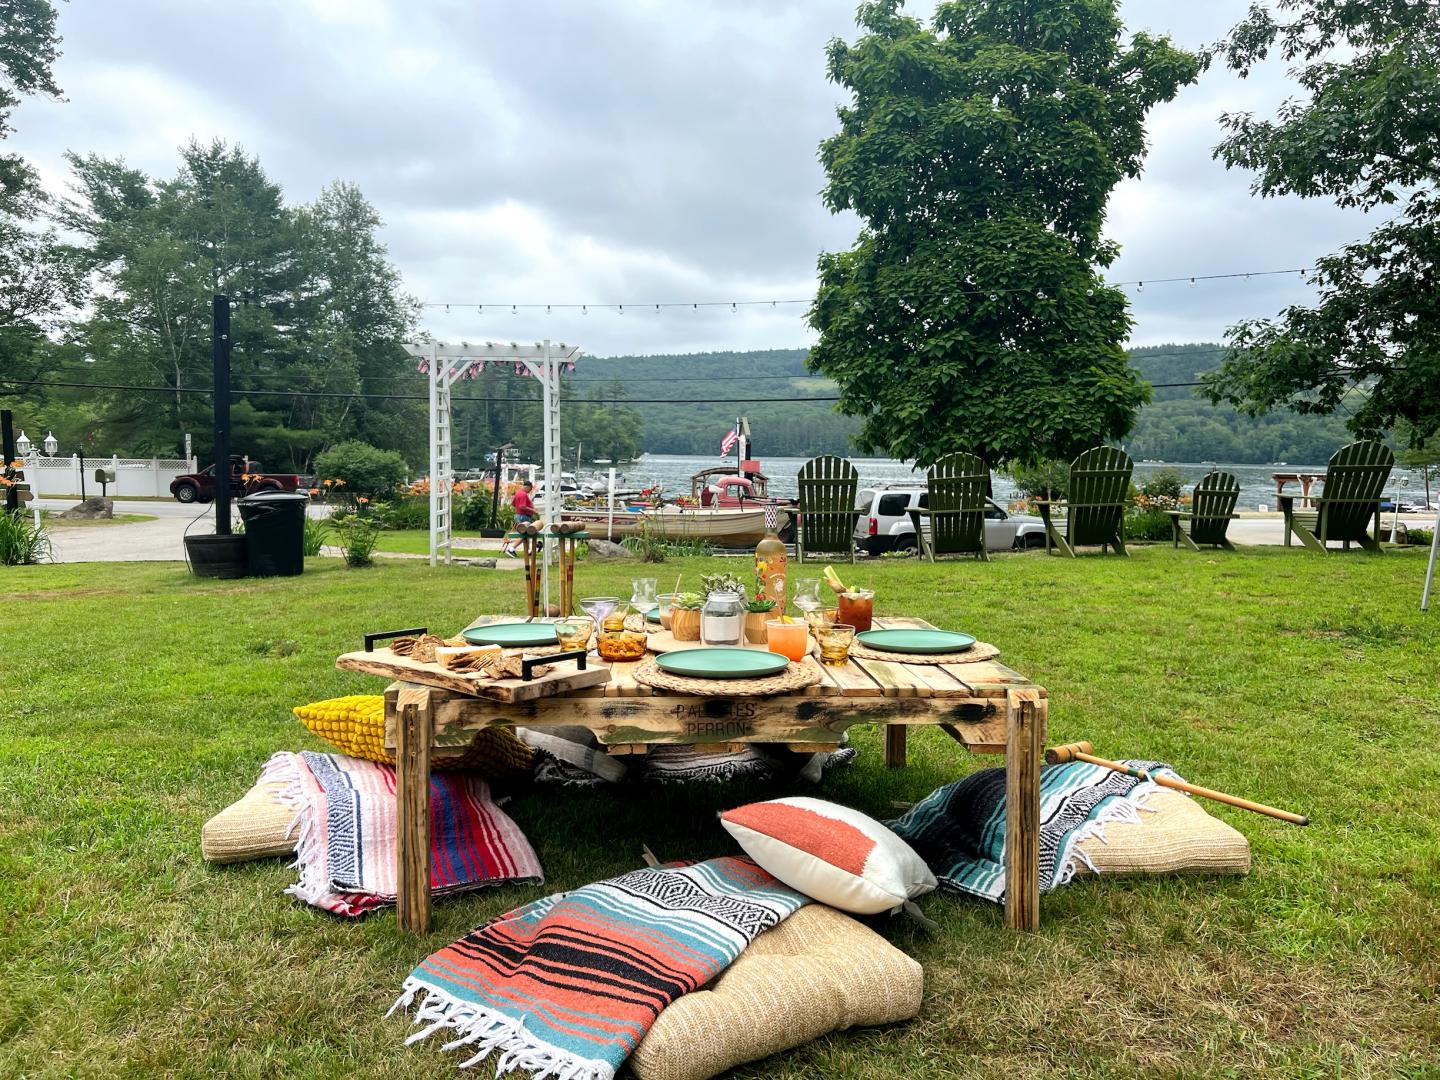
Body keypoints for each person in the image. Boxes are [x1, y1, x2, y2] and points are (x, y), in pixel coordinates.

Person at [501, 480, 536, 558]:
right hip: (524, 516)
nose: (530, 491)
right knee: (525, 534)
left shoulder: (518, 493)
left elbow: (513, 503)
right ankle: (511, 549)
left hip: (519, 515)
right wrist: (532, 510)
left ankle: (528, 550)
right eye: (530, 489)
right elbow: (522, 506)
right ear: (527, 487)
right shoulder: (523, 494)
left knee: (526, 533)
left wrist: (519, 510)